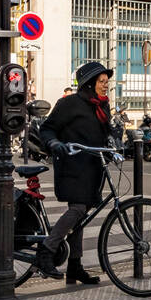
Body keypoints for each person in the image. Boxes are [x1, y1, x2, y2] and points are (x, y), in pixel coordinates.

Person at [36, 62, 115, 282]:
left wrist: (113, 144)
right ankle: (46, 250)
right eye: (101, 82)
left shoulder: (102, 106)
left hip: (93, 168)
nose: (105, 85)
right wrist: (53, 143)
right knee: (78, 209)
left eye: (107, 82)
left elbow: (104, 133)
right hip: (72, 167)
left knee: (80, 217)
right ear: (89, 83)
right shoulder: (69, 103)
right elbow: (47, 128)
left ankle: (74, 267)